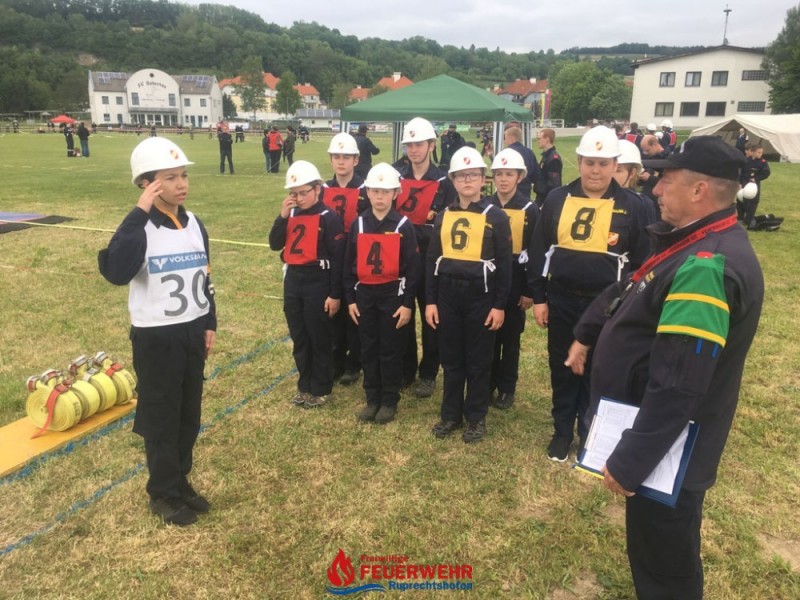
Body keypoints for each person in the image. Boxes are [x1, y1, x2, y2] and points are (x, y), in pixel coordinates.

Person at [565, 136, 763, 599]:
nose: (654, 189)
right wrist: (589, 331)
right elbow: (633, 288)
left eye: (666, 181)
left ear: (699, 190)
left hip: (668, 454)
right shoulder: (691, 242)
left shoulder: (705, 266)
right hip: (661, 444)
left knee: (665, 564)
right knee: (656, 551)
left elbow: (679, 383)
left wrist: (633, 459)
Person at [98, 137, 217, 526]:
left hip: (191, 332)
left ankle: (180, 481)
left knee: (188, 414)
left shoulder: (195, 223)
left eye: (183, 175)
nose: (181, 184)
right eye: (170, 177)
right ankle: (162, 492)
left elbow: (204, 277)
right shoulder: (140, 228)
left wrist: (209, 321)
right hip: (157, 338)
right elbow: (116, 271)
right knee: (162, 417)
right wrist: (138, 213)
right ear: (147, 184)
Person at [529, 126, 656, 462]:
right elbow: (540, 250)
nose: (595, 171)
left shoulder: (635, 206)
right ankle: (561, 432)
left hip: (609, 305)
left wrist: (632, 306)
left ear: (615, 165)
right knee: (562, 367)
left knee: (599, 370)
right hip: (562, 298)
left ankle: (590, 434)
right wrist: (539, 298)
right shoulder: (557, 199)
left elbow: (643, 261)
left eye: (603, 163)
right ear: (579, 161)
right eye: (589, 163)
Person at [425, 146, 512, 443]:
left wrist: (499, 305)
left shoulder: (496, 217)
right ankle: (450, 414)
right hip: (448, 295)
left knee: (478, 359)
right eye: (461, 176)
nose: (467, 181)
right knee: (451, 357)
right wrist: (431, 301)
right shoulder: (443, 216)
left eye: (473, 175)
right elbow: (432, 261)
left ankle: (475, 416)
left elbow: (505, 266)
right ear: (452, 179)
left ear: (483, 179)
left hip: (481, 297)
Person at [344, 163, 420, 424]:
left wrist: (407, 303)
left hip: (392, 297)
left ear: (395, 193)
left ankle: (389, 400)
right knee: (368, 348)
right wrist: (350, 299)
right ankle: (372, 398)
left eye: (385, 191)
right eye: (375, 191)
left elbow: (413, 269)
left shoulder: (403, 226)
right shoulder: (359, 224)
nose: (379, 196)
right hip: (365, 296)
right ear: (367, 192)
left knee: (390, 349)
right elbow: (348, 265)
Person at [268, 160, 345, 408]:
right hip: (293, 280)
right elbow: (274, 244)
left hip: (318, 281)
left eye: (304, 193)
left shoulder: (329, 217)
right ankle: (304, 384)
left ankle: (321, 387)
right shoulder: (290, 214)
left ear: (318, 189)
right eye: (294, 193)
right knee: (299, 336)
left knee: (318, 336)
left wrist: (335, 294)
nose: (299, 198)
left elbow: (338, 259)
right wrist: (281, 217)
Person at [392, 117, 457, 398]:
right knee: (402, 315)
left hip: (431, 260)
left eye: (419, 144)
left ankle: (429, 372)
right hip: (400, 259)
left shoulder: (445, 181)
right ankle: (405, 370)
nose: (414, 150)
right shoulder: (395, 175)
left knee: (432, 317)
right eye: (409, 145)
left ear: (431, 145)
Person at [487, 148, 539, 410]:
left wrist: (529, 290)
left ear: (520, 177)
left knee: (510, 339)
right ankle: (487, 383)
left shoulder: (530, 209)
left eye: (509, 174)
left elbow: (536, 252)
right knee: (488, 338)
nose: (504, 179)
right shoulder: (485, 206)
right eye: (499, 174)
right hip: (489, 284)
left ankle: (507, 388)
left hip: (516, 284)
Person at [320, 133, 368, 385]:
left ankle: (354, 362)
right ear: (330, 160)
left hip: (356, 257)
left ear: (355, 160)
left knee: (353, 310)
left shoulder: (366, 190)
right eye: (336, 156)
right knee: (333, 312)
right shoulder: (322, 190)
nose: (341, 161)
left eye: (346, 157)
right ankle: (335, 360)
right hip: (331, 257)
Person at [503, 125, 544, 200]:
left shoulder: (506, 152)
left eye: (505, 138)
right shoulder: (529, 152)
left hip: (508, 192)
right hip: (525, 191)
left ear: (511, 138)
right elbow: (536, 175)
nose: (504, 141)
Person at [739, 142, 771, 229]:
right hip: (745, 183)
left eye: (761, 152)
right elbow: (741, 173)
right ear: (752, 152)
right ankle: (740, 218)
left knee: (753, 202)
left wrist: (756, 179)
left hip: (754, 185)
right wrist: (740, 183)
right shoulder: (746, 161)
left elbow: (766, 173)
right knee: (742, 201)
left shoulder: (762, 162)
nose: (760, 154)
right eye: (758, 152)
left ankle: (748, 220)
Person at [639, 133, 670, 208]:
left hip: (658, 204)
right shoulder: (651, 157)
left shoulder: (668, 160)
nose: (645, 153)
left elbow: (669, 183)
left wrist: (649, 178)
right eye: (644, 151)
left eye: (647, 150)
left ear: (655, 144)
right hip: (647, 201)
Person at [536, 128, 562, 206]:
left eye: (539, 139)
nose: (537, 141)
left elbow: (554, 184)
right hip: (541, 196)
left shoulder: (553, 159)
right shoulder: (546, 156)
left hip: (546, 198)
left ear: (547, 139)